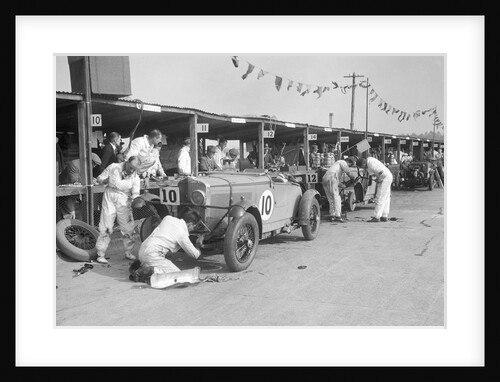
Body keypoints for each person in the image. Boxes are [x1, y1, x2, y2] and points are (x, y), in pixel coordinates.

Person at [129, 209, 202, 282]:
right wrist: (198, 245)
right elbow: (195, 254)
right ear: (190, 224)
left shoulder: (167, 218)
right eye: (194, 227)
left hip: (142, 249)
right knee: (178, 275)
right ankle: (146, 271)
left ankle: (142, 267)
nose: (192, 229)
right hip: (153, 254)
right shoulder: (182, 234)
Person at [94, 156, 142, 264]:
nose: (132, 171)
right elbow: (99, 178)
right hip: (110, 195)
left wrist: (135, 200)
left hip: (124, 199)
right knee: (106, 225)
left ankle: (128, 252)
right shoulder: (113, 167)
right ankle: (100, 254)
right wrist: (104, 180)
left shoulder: (135, 177)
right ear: (127, 162)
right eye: (131, 168)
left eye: (134, 169)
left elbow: (135, 193)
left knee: (128, 227)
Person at [58, 153, 102, 220]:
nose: (94, 166)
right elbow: (74, 180)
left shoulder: (86, 166)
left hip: (75, 192)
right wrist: (92, 181)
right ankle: (66, 228)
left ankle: (73, 227)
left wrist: (95, 179)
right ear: (89, 161)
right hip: (65, 192)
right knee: (69, 213)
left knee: (76, 213)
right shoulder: (74, 164)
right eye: (94, 164)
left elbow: (87, 177)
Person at [356, 156, 393, 223]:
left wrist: (378, 178)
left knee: (380, 197)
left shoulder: (370, 163)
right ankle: (384, 215)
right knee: (385, 197)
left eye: (362, 167)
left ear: (363, 164)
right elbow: (376, 173)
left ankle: (377, 217)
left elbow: (381, 172)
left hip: (385, 177)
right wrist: (377, 178)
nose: (363, 168)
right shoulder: (369, 163)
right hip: (387, 176)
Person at [321, 156, 357, 223]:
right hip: (332, 178)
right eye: (350, 165)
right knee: (337, 198)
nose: (349, 166)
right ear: (348, 162)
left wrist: (343, 185)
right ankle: (338, 216)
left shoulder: (335, 166)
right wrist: (353, 178)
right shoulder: (342, 162)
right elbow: (348, 172)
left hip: (325, 179)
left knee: (330, 198)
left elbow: (335, 181)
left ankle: (332, 215)